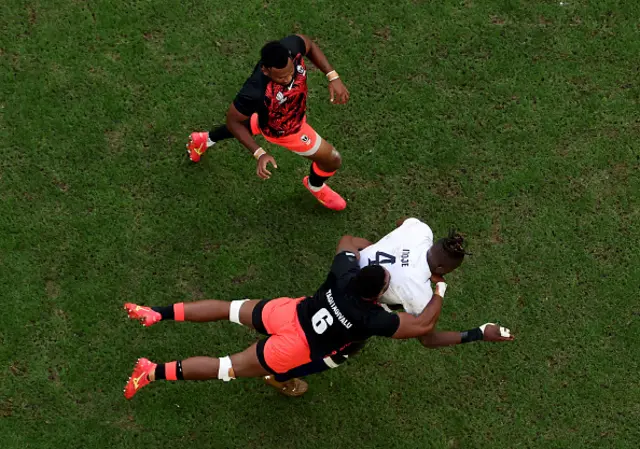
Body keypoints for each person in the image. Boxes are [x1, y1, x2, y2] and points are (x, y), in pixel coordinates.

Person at [122, 235, 448, 399]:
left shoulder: (344, 272)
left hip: (286, 312)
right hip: (295, 347)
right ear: (377, 296)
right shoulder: (371, 318)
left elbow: (348, 241)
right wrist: (439, 290)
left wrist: (372, 247)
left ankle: (155, 313)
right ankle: (151, 372)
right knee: (226, 367)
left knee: (225, 308)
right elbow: (423, 324)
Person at [186, 34, 350, 211]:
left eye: (290, 73)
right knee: (332, 160)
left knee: (254, 122)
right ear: (265, 70)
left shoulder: (290, 48)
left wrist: (332, 76)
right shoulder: (254, 91)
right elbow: (233, 122)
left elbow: (308, 44)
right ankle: (315, 186)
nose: (288, 79)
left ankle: (203, 139)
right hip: (287, 130)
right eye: (281, 78)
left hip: (275, 114)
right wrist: (259, 153)